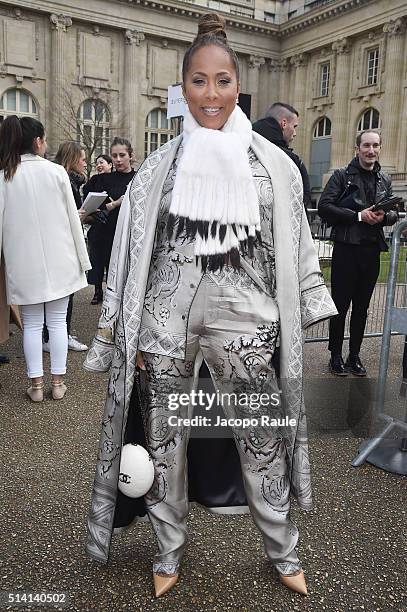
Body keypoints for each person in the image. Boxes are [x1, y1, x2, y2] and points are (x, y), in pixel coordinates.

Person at [84, 13, 336, 598]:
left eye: (223, 80)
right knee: (165, 441)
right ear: (184, 87)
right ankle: (168, 550)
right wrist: (125, 328)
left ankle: (283, 549)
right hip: (164, 321)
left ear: (237, 84)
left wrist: (302, 304)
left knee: (262, 435)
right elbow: (129, 250)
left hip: (247, 320)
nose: (212, 94)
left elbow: (294, 238)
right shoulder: (155, 168)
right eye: (199, 81)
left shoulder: (273, 165)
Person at [0, 116, 90, 401]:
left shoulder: (4, 176)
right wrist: (83, 259)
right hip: (60, 258)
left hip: (23, 263)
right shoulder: (56, 172)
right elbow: (73, 221)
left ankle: (37, 386)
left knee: (33, 324)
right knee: (57, 323)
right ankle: (58, 383)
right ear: (38, 141)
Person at [318, 129, 397, 376]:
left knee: (362, 308)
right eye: (366, 146)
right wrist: (358, 216)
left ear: (379, 148)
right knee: (340, 307)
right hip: (346, 249)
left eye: (375, 146)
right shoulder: (341, 175)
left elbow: (394, 212)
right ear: (357, 148)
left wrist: (385, 217)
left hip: (371, 251)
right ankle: (335, 356)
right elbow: (324, 207)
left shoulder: (384, 178)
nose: (371, 150)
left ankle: (354, 355)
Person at [43, 142, 89, 352]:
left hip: (61, 241)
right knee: (65, 292)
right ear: (72, 159)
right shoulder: (63, 180)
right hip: (62, 243)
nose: (85, 163)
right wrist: (75, 215)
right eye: (82, 159)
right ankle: (58, 335)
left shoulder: (68, 180)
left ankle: (57, 334)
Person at [82, 138, 135, 305]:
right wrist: (111, 205)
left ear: (130, 156)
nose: (118, 159)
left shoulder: (139, 179)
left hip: (127, 233)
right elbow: (89, 204)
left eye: (122, 155)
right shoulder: (102, 180)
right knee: (99, 265)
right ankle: (99, 291)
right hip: (103, 231)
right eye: (114, 156)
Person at [252, 102, 311, 207]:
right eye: (294, 126)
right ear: (284, 123)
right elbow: (301, 205)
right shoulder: (291, 161)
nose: (295, 133)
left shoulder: (241, 145)